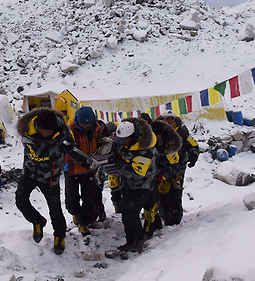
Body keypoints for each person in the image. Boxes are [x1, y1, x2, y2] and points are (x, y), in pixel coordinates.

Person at [16, 108, 74, 255]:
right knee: (20, 200)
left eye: (49, 132)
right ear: (37, 127)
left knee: (55, 209)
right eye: (43, 132)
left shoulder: (63, 131)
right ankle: (37, 221)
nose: (46, 135)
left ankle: (59, 236)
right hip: (30, 172)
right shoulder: (26, 130)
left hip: (50, 176)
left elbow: (72, 148)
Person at [110, 118, 158, 252]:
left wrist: (118, 164)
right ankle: (130, 241)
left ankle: (140, 237)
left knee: (131, 212)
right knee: (125, 214)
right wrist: (114, 153)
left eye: (124, 141)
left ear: (133, 136)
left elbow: (136, 174)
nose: (122, 144)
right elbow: (116, 144)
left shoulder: (146, 150)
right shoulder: (126, 140)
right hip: (129, 184)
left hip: (143, 185)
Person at [157, 110, 200, 226]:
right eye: (167, 119)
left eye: (171, 119)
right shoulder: (157, 131)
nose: (169, 121)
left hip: (179, 167)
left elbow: (193, 145)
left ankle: (176, 219)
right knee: (163, 193)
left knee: (175, 192)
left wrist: (193, 156)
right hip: (162, 167)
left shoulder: (182, 132)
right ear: (162, 120)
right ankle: (165, 216)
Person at [65, 107, 103, 236]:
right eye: (83, 124)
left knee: (90, 200)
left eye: (88, 124)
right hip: (72, 169)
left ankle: (83, 223)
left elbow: (100, 144)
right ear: (77, 121)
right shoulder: (69, 131)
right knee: (71, 201)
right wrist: (84, 161)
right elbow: (68, 151)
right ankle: (76, 214)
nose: (85, 126)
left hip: (90, 171)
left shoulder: (97, 129)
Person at [142, 120, 182, 238]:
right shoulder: (148, 141)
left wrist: (164, 175)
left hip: (167, 172)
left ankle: (174, 219)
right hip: (151, 173)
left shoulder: (169, 144)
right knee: (151, 199)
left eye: (157, 136)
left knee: (171, 194)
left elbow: (174, 165)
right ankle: (154, 222)